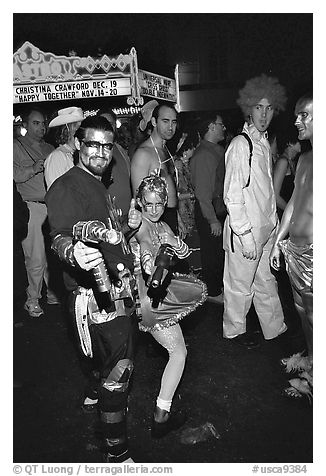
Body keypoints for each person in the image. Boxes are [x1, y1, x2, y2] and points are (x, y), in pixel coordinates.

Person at [45, 115, 142, 462]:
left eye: (107, 145)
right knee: (120, 371)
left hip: (115, 291)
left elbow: (108, 241)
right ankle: (117, 454)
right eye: (92, 144)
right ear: (77, 144)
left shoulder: (98, 183)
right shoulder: (65, 187)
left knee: (105, 364)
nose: (101, 152)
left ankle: (93, 394)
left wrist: (128, 230)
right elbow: (60, 235)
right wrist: (73, 251)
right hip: (97, 300)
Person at [130, 175, 207, 438]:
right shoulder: (139, 223)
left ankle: (95, 395)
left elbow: (183, 252)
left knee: (121, 354)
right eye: (148, 204)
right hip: (146, 297)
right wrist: (151, 262)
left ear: (164, 203)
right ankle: (161, 415)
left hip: (147, 295)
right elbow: (144, 246)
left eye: (158, 204)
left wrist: (176, 245)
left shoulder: (162, 225)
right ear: (140, 202)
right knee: (178, 352)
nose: (153, 210)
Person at [223, 74, 288, 349]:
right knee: (239, 288)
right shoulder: (241, 144)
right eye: (258, 107)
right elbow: (232, 196)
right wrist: (246, 236)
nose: (264, 114)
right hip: (244, 235)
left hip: (263, 233)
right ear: (248, 108)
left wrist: (272, 230)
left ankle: (275, 330)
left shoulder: (262, 143)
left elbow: (266, 194)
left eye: (269, 108)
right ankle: (234, 336)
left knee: (265, 282)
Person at [270, 92, 313, 398]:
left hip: (315, 254)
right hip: (295, 252)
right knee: (301, 312)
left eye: (305, 115)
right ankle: (312, 368)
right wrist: (277, 242)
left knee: (314, 316)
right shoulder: (306, 159)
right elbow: (294, 204)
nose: (297, 121)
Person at [13, 106, 57, 318]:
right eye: (36, 123)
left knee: (53, 253)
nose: (41, 127)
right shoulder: (15, 146)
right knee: (36, 257)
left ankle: (51, 292)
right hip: (31, 206)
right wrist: (33, 169)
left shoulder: (50, 148)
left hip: (52, 207)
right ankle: (33, 299)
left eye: (43, 123)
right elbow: (13, 175)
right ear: (25, 125)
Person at [190, 113, 226, 304]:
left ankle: (217, 287)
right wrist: (212, 219)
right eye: (221, 125)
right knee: (212, 254)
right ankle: (213, 292)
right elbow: (203, 193)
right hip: (209, 210)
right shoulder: (204, 155)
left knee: (218, 253)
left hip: (216, 208)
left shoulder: (214, 150)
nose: (224, 128)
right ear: (211, 127)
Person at [131, 102, 180, 235]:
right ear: (153, 122)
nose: (170, 127)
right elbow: (139, 198)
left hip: (171, 218)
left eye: (174, 122)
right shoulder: (144, 154)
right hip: (155, 223)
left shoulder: (165, 149)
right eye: (165, 121)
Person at [97, 107, 132, 219]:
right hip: (108, 218)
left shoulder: (120, 149)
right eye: (104, 123)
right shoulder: (95, 152)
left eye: (111, 123)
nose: (108, 127)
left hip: (128, 215)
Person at [44, 106, 84, 188]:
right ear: (67, 130)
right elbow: (56, 194)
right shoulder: (57, 157)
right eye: (78, 128)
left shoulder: (83, 155)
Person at [174, 131, 199, 239]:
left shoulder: (187, 165)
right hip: (182, 213)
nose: (194, 150)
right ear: (185, 150)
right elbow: (174, 195)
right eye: (192, 147)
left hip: (190, 210)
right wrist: (192, 195)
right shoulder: (177, 167)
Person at [273, 129, 301, 218]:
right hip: (284, 214)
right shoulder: (283, 162)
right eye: (299, 141)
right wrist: (292, 214)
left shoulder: (291, 162)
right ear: (290, 143)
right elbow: (275, 195)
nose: (301, 144)